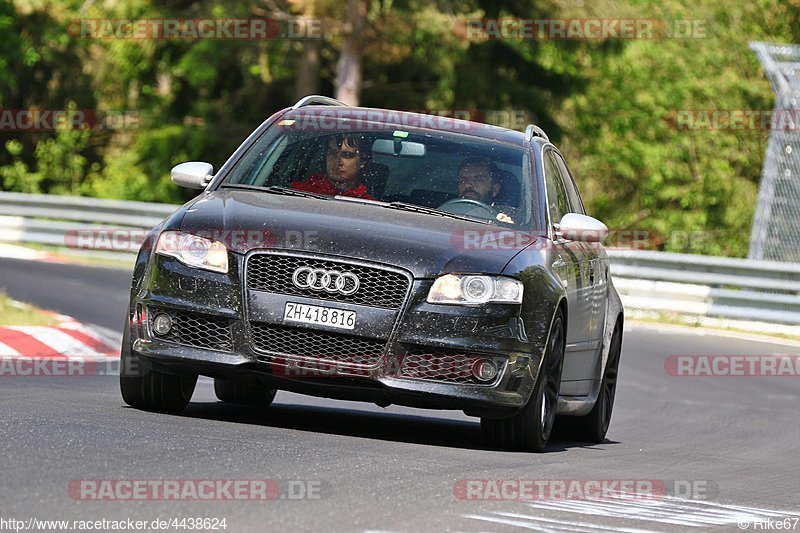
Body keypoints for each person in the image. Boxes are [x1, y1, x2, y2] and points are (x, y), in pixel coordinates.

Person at [291, 134, 374, 200]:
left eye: (347, 155)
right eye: (332, 153)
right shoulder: (298, 192)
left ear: (362, 162)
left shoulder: (369, 204)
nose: (338, 161)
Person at [453, 156, 515, 223]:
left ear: (495, 190)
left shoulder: (501, 218)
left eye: (478, 180)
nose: (467, 185)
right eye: (463, 180)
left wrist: (503, 226)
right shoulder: (444, 212)